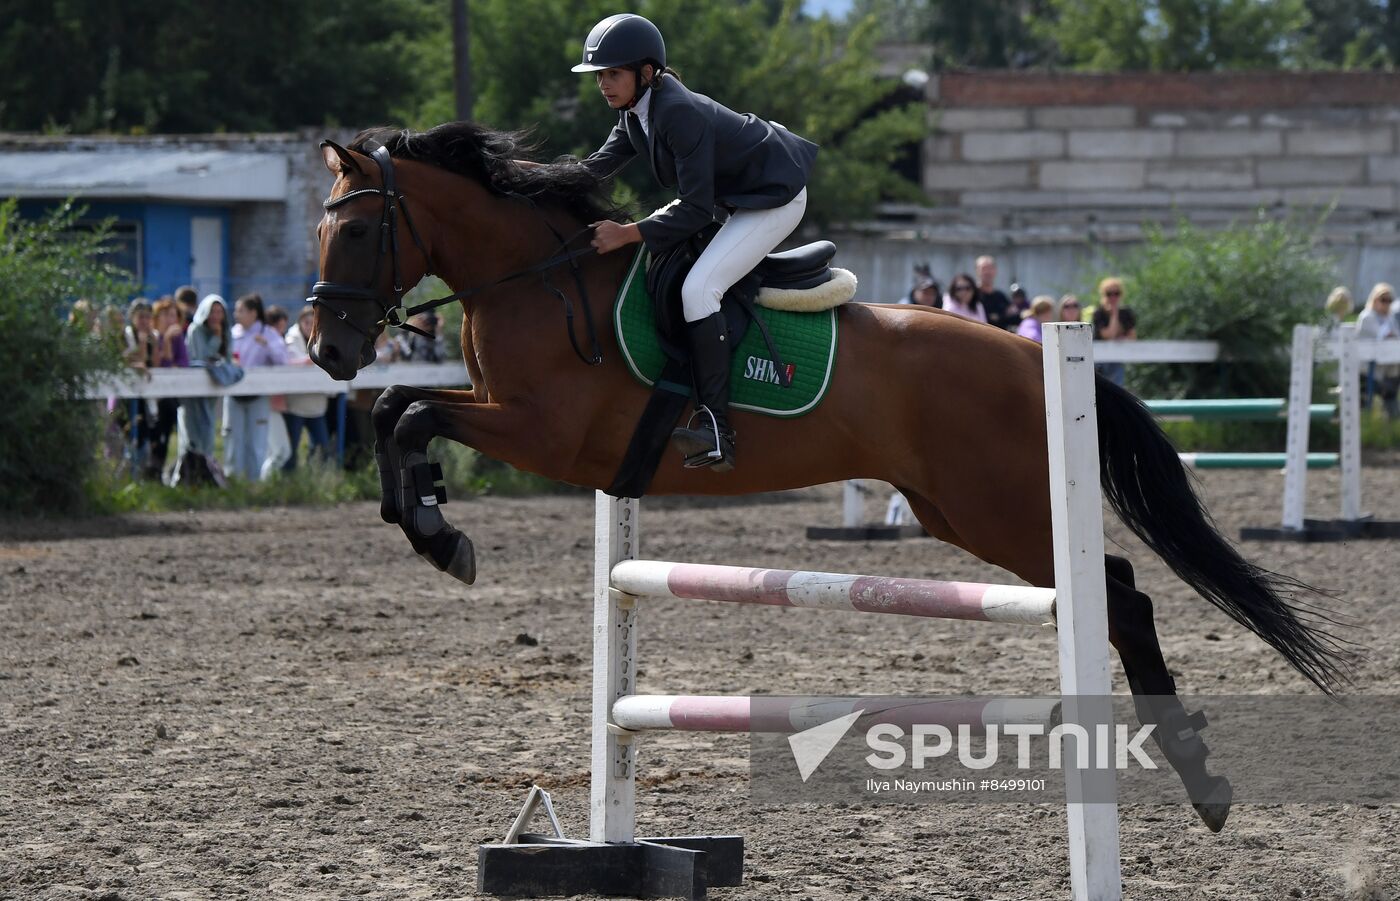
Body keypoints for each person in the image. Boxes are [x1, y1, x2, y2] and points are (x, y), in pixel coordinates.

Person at [573, 12, 818, 473]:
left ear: (646, 74)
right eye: (599, 75)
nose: (603, 84)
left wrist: (627, 233)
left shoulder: (677, 113)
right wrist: (526, 179)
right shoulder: (634, 114)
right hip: (738, 200)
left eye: (613, 74)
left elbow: (695, 209)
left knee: (698, 289)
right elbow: (591, 171)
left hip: (774, 199)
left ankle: (716, 427)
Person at [223, 293, 287, 481]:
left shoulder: (268, 333)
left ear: (253, 313)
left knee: (257, 441)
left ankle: (253, 482)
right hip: (234, 393)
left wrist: (267, 346)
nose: (236, 314)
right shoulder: (232, 332)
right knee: (233, 438)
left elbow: (283, 361)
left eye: (240, 310)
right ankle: (233, 481)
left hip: (258, 395)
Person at [176, 294, 232, 486]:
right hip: (194, 389)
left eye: (219, 312)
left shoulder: (226, 331)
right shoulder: (196, 330)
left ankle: (206, 475)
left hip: (213, 387)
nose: (216, 316)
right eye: (212, 311)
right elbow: (200, 358)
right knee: (192, 433)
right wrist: (215, 339)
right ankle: (188, 477)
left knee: (208, 430)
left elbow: (228, 359)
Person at [282, 306, 332, 470]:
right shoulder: (291, 339)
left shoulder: (325, 339)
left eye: (313, 322)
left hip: (316, 404)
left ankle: (317, 479)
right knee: (291, 450)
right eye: (306, 322)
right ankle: (288, 483)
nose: (309, 326)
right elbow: (293, 360)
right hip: (295, 405)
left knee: (321, 448)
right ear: (300, 323)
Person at [147, 298, 188, 482]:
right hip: (149, 395)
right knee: (152, 434)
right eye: (165, 315)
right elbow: (157, 364)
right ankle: (150, 471)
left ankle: (161, 473)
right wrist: (164, 342)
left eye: (173, 315)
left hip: (169, 397)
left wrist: (170, 343)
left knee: (165, 433)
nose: (170, 319)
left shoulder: (178, 339)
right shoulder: (151, 337)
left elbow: (181, 365)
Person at [1357, 282, 1400, 418]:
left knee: (1391, 392)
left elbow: (1396, 337)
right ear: (1375, 299)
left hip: (1385, 371)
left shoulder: (1389, 318)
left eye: (1389, 300)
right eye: (1383, 299)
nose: (1386, 303)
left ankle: (1392, 419)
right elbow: (1382, 335)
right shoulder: (1367, 317)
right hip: (1367, 372)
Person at [260, 306, 293, 479]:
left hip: (271, 403)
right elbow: (283, 363)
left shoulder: (268, 339)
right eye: (282, 327)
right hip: (268, 403)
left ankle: (264, 483)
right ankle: (264, 483)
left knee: (271, 451)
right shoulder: (272, 340)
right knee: (281, 451)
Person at [1091, 277, 1137, 387]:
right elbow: (1109, 335)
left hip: (1117, 359)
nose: (1113, 297)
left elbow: (1133, 337)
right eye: (1109, 294)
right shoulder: (1099, 313)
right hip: (1100, 360)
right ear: (1103, 294)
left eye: (1116, 293)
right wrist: (1114, 314)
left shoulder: (1126, 313)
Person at [975, 255, 1016, 332]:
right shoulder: (971, 295)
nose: (987, 272)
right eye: (984, 268)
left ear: (995, 271)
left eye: (990, 268)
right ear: (977, 270)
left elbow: (1013, 317)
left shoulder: (1001, 296)